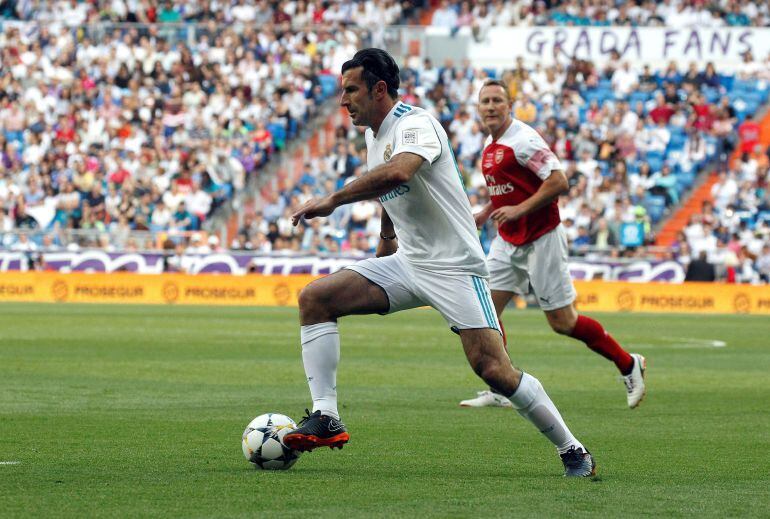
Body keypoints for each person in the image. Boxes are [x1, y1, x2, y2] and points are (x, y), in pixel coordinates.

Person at [283, 49, 596, 477]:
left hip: (454, 267)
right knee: (315, 299)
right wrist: (386, 240)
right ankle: (326, 415)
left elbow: (399, 173)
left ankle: (572, 448)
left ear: (379, 90)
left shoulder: (416, 124)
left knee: (493, 370)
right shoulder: (375, 135)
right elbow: (389, 190)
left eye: (351, 90)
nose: (343, 101)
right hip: (410, 262)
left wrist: (334, 199)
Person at [460, 80, 646, 409]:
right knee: (485, 310)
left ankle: (628, 364)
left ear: (509, 105)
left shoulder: (524, 139)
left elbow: (558, 180)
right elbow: (507, 191)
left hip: (542, 237)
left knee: (564, 323)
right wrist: (485, 212)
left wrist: (518, 210)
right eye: (484, 101)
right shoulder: (491, 147)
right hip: (508, 240)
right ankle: (503, 385)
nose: (490, 106)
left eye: (496, 101)